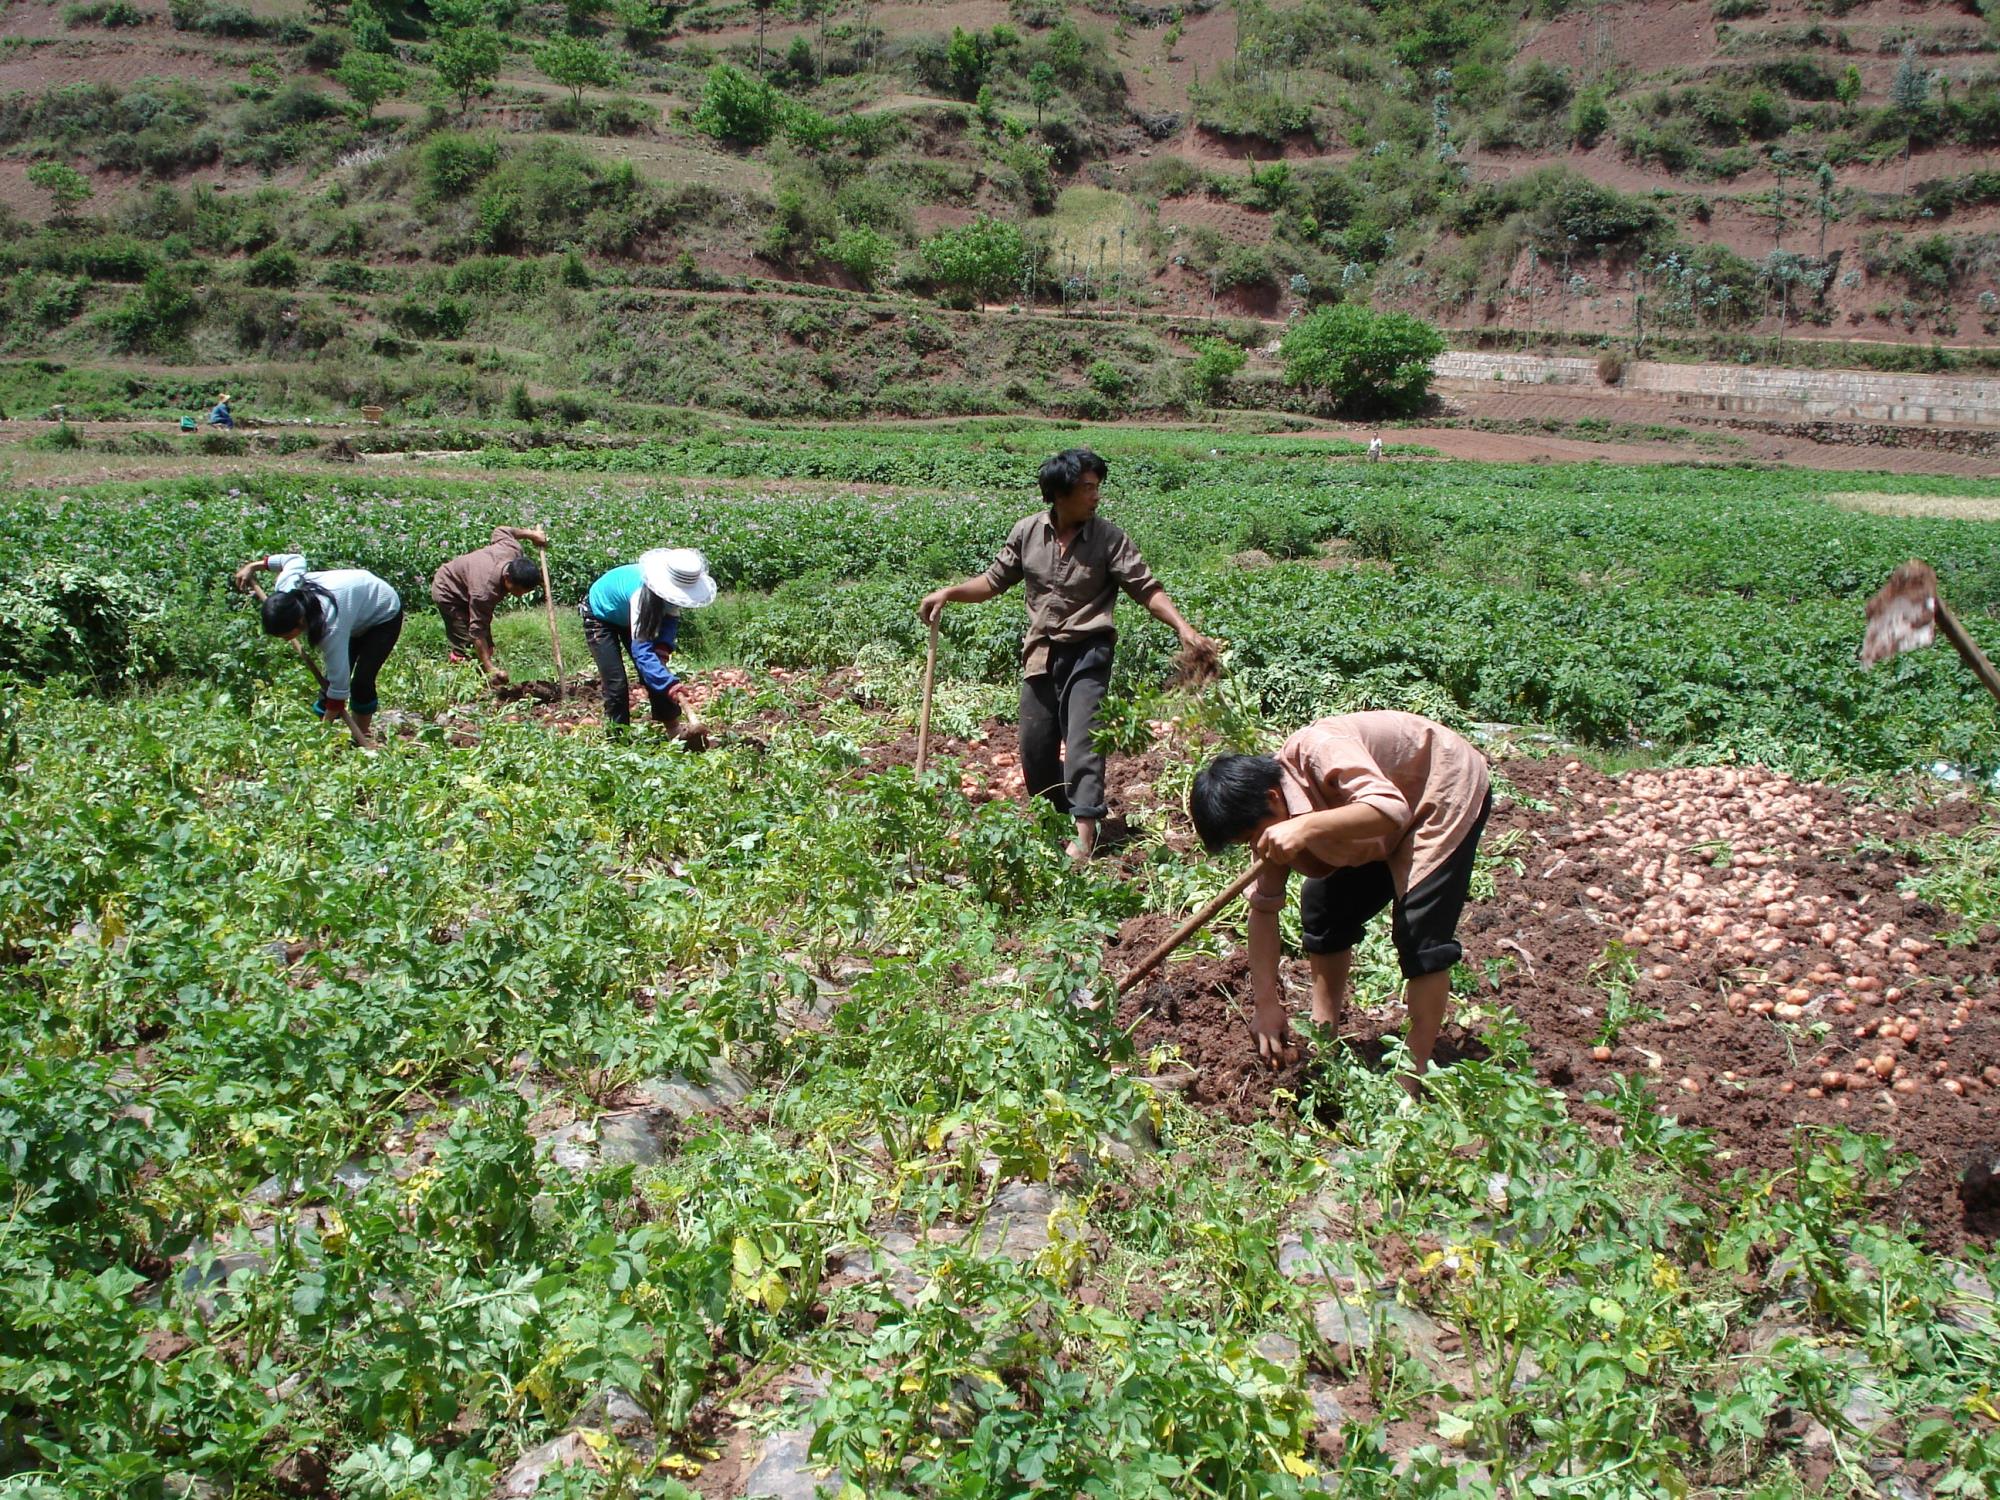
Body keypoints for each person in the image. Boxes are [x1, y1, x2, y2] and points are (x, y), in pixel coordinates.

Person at [918, 449, 1215, 863]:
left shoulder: (1109, 538)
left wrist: (1185, 629)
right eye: (1087, 488)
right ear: (1060, 493)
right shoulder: (1027, 533)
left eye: (1097, 488)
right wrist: (949, 592)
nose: (1095, 497)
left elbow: (1145, 588)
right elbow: (992, 581)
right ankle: (1054, 818)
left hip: (1089, 652)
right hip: (1040, 653)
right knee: (1036, 750)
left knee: (1082, 741)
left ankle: (1085, 831)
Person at [1188, 711, 1492, 1091]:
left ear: (1272, 798)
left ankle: (1411, 1075)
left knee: (1420, 933)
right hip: (1373, 823)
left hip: (1438, 789)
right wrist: (1265, 1004)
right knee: (1324, 908)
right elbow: (1263, 910)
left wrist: (1304, 826)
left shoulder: (1320, 748)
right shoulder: (1269, 820)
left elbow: (1391, 809)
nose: (1256, 848)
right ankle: (1324, 1033)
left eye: (1254, 835)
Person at [232, 552, 403, 749]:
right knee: (330, 682)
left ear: (300, 621)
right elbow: (294, 560)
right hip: (353, 607)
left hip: (382, 611)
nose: (286, 640)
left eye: (287, 634)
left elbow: (339, 689)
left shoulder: (330, 626)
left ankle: (360, 738)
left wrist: (322, 736)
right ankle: (328, 733)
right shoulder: (286, 589)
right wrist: (253, 567)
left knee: (361, 681)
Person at [581, 548, 715, 730]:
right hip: (601, 615)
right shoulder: (641, 595)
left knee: (656, 670)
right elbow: (641, 650)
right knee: (616, 682)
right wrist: (670, 685)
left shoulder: (673, 595)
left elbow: (670, 622)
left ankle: (674, 730)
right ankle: (619, 739)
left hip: (631, 615)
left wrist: (662, 651)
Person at [430, 526, 548, 685]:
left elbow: (501, 531)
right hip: (449, 591)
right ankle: (464, 683)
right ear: (507, 577)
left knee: (487, 643)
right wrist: (490, 668)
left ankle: (484, 675)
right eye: (518, 591)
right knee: (466, 644)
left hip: (469, 583)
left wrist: (532, 535)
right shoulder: (485, 592)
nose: (520, 595)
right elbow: (477, 631)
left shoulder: (512, 549)